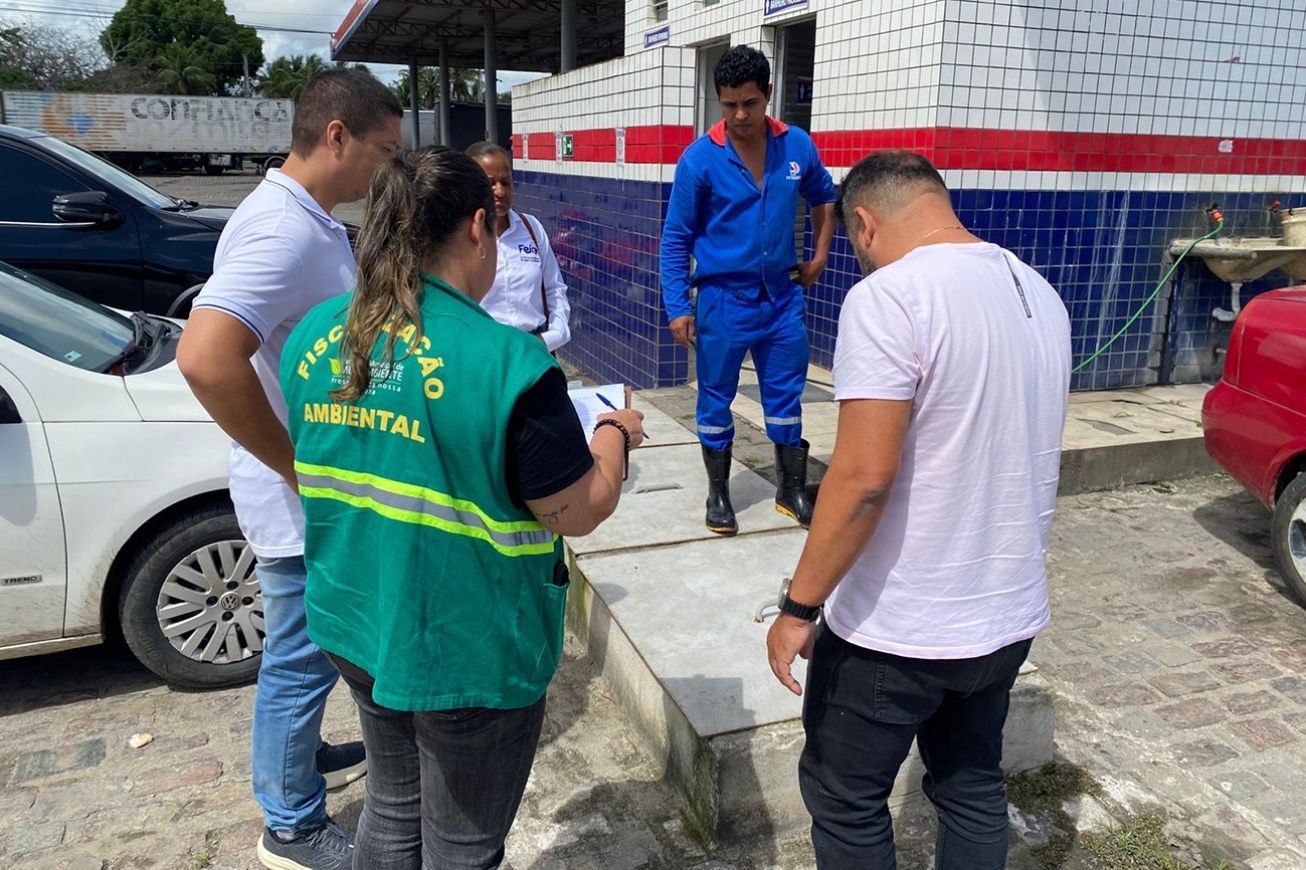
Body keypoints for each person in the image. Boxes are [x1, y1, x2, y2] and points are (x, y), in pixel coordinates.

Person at [279, 146, 645, 870]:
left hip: (354, 618)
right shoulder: (509, 363)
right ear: (478, 227)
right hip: (466, 646)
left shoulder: (317, 333)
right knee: (464, 847)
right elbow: (578, 510)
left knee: (391, 807)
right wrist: (614, 433)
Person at [765, 151, 1071, 869]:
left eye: (855, 245)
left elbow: (863, 477)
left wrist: (799, 607)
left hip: (898, 629)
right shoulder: (1038, 291)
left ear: (864, 223)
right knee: (971, 786)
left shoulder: (890, 297)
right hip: (1005, 616)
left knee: (846, 801)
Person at [176, 69, 404, 870]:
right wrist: (295, 465)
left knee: (310, 653)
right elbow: (205, 357)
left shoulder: (305, 218)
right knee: (301, 661)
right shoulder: (283, 230)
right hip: (298, 501)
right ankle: (292, 824)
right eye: (384, 150)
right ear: (338, 136)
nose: (388, 169)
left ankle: (298, 761)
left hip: (306, 489)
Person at [660, 44, 837, 536]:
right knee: (715, 398)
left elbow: (824, 196)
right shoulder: (699, 160)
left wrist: (820, 257)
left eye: (750, 103)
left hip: (782, 299)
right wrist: (677, 305)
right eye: (730, 104)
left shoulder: (796, 145)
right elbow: (675, 238)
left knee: (786, 394)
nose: (740, 114)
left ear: (769, 94)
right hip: (722, 302)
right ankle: (719, 494)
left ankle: (790, 490)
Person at [466, 140, 572, 352]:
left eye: (506, 182)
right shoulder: (461, 238)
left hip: (535, 351)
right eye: (490, 183)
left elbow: (554, 288)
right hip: (486, 354)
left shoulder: (531, 228)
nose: (500, 191)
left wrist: (553, 335)